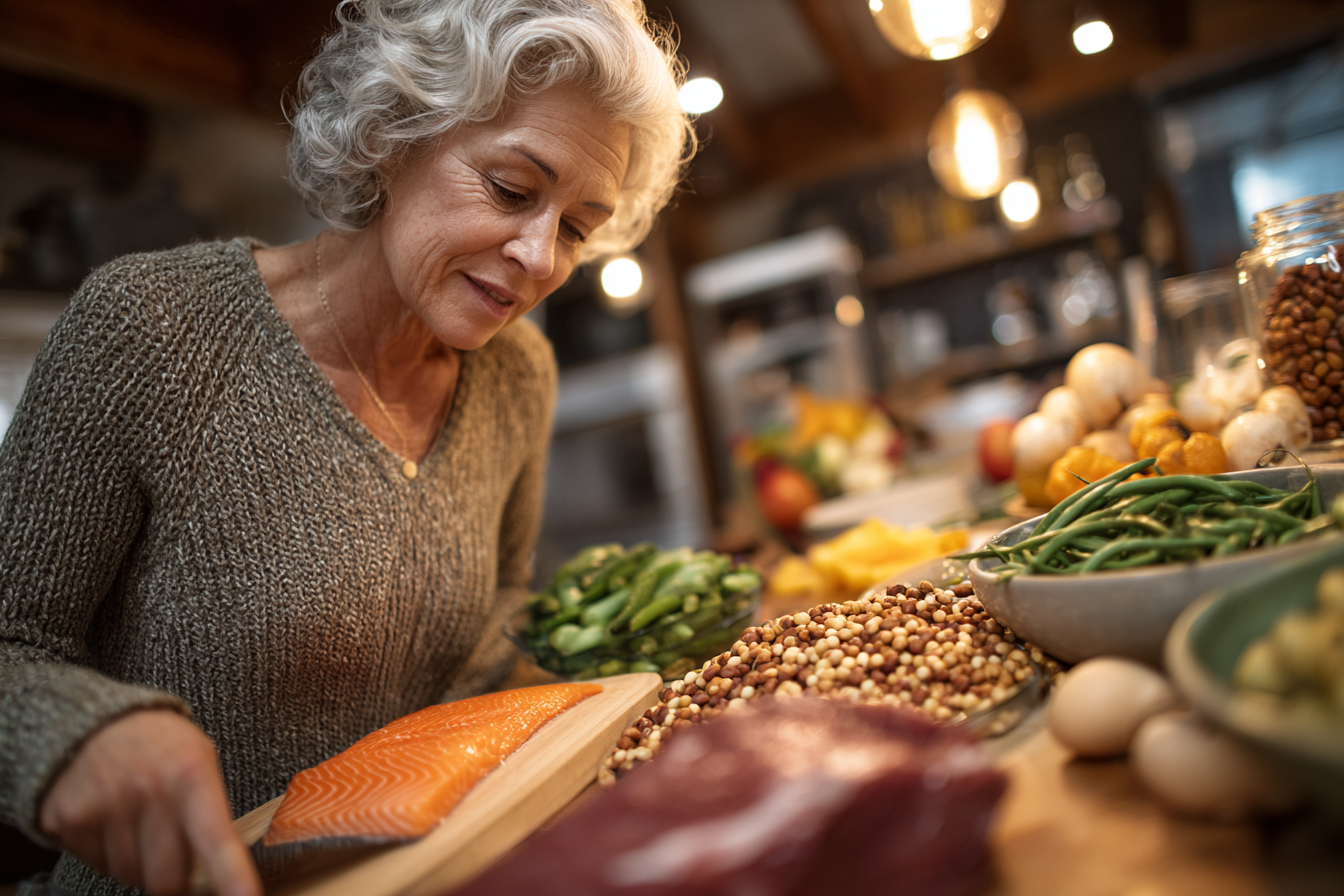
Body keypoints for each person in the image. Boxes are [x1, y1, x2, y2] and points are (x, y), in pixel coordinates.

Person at [0, 2, 693, 894]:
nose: (539, 257)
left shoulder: (519, 373)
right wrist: (78, 731)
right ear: (393, 135)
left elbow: (496, 624)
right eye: (514, 191)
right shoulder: (149, 332)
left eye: (576, 228)